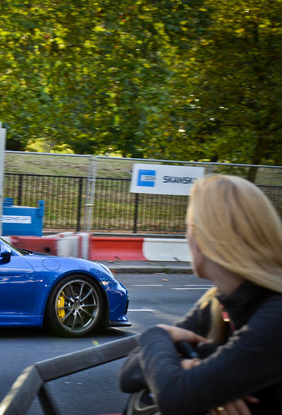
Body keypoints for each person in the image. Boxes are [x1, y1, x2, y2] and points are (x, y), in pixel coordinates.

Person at [119, 175, 282, 415]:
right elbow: (127, 374)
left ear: (206, 238)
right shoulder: (218, 303)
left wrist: (158, 333)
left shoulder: (276, 315)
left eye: (189, 227)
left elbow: (175, 397)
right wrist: (186, 369)